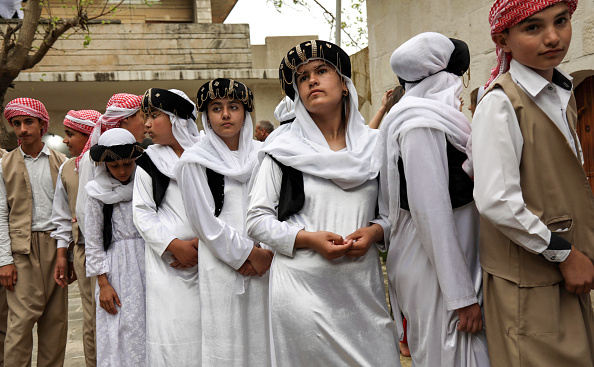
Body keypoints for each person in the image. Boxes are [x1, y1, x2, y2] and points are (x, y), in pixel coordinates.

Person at [246, 40, 400, 366]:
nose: (311, 80)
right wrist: (308, 239)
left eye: (321, 71)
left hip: (362, 291)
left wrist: (374, 233)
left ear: (344, 84)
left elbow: (392, 215)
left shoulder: (376, 145)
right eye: (302, 78)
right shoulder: (282, 147)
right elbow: (256, 220)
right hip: (301, 294)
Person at [472, 1, 594, 366]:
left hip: (564, 277)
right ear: (503, 39)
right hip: (530, 288)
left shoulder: (561, 93)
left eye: (561, 21)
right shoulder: (500, 103)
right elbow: (496, 201)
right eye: (533, 28)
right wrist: (565, 253)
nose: (553, 37)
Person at [376, 32, 489, 367]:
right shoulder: (420, 125)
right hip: (436, 272)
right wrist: (461, 296)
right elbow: (431, 212)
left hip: (450, 265)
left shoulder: (432, 119)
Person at [176, 78, 272, 366]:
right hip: (220, 265)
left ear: (246, 112)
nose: (226, 114)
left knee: (265, 338)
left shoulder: (264, 155)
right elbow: (204, 223)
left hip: (266, 262)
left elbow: (274, 208)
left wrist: (264, 252)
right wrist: (247, 254)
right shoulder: (195, 160)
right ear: (206, 116)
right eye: (216, 108)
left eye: (234, 106)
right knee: (225, 340)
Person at [132, 88, 201, 366]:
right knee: (172, 331)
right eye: (145, 117)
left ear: (178, 118)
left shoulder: (207, 156)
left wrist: (202, 245)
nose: (146, 124)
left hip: (210, 258)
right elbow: (142, 212)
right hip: (167, 266)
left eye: (154, 115)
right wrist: (175, 246)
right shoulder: (148, 162)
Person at [0, 98, 68, 366]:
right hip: (22, 251)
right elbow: (1, 215)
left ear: (42, 124)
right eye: (16, 123)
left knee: (55, 324)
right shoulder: (4, 165)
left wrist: (68, 256)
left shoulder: (62, 163)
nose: (22, 129)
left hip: (56, 247)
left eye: (28, 122)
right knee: (19, 325)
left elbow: (67, 215)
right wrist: (4, 260)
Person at [84, 128, 146, 367]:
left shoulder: (144, 185)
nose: (122, 171)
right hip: (115, 267)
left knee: (147, 323)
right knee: (120, 327)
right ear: (104, 165)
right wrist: (103, 283)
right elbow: (93, 240)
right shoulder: (96, 193)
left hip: (147, 261)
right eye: (114, 166)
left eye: (127, 164)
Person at [52, 109, 101, 367]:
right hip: (82, 252)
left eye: (70, 134)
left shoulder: (112, 162)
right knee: (91, 317)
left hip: (114, 249)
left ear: (88, 134)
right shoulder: (67, 168)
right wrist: (64, 255)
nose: (65, 140)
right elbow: (61, 217)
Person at [76, 93, 144, 241]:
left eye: (127, 163)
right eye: (144, 116)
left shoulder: (142, 155)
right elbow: (84, 211)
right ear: (126, 117)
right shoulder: (94, 159)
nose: (148, 124)